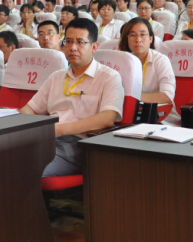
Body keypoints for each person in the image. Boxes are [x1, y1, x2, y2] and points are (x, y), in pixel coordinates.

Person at [19, 19, 124, 177]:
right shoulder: (56, 76)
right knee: (2, 159)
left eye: (80, 42)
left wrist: (59, 130)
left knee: (24, 169)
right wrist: (34, 129)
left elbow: (107, 118)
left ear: (94, 47)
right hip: (46, 139)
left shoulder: (109, 77)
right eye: (68, 41)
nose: (73, 48)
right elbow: (29, 109)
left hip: (79, 145)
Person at [119, 18, 175, 106]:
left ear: (151, 39)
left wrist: (132, 97)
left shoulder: (161, 60)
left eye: (142, 34)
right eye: (133, 35)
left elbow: (167, 96)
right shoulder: (122, 60)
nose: (138, 39)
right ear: (127, 39)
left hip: (157, 113)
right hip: (127, 111)